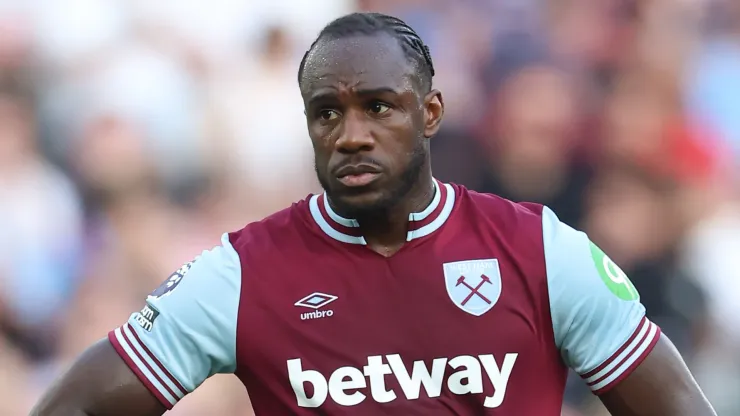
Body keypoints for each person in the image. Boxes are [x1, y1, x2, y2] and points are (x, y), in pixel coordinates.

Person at [31, 12, 715, 416]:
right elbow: (77, 404)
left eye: (378, 107)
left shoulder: (538, 251)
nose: (350, 134)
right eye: (327, 113)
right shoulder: (241, 275)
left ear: (432, 114)